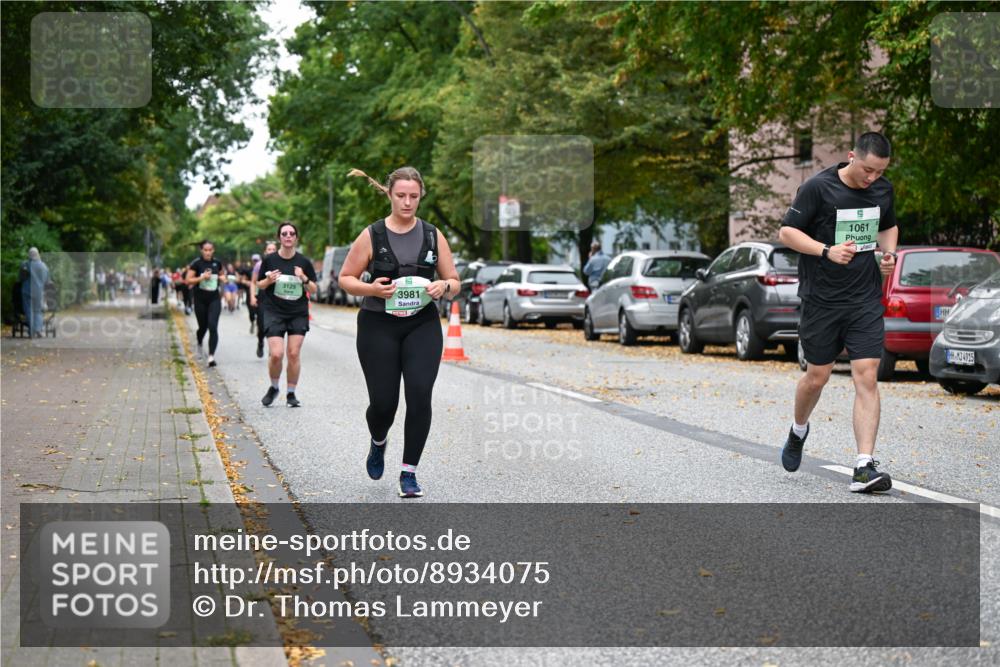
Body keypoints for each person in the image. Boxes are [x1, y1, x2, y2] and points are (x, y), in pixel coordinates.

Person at [777, 131, 898, 493]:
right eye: (867, 170)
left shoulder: (882, 190)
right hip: (822, 300)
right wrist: (826, 250)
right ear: (850, 157)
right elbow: (787, 232)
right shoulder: (817, 188)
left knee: (867, 374)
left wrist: (888, 254)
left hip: (863, 299)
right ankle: (799, 430)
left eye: (879, 172)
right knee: (817, 377)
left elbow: (887, 226)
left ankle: (864, 466)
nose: (872, 178)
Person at [340, 167, 460, 498]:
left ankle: (409, 473)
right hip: (378, 326)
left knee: (420, 394)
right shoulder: (372, 235)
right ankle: (378, 441)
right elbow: (345, 278)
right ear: (390, 194)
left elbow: (455, 281)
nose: (407, 202)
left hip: (421, 325)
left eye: (414, 197)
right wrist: (372, 289)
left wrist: (444, 285)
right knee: (383, 404)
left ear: (421, 197)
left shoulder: (434, 235)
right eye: (401, 196)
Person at [256, 223, 317, 407]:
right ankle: (274, 387)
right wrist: (268, 279)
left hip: (297, 312)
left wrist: (304, 278)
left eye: (292, 233)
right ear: (279, 237)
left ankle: (291, 393)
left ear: (296, 238)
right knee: (276, 354)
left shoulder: (304, 262)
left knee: (293, 353)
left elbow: (313, 289)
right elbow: (259, 284)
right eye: (284, 233)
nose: (288, 236)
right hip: (274, 311)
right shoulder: (270, 260)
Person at [185, 241, 225, 367]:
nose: (208, 252)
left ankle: (211, 356)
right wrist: (201, 278)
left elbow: (222, 275)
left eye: (210, 250)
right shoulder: (196, 263)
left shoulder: (217, 263)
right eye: (205, 250)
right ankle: (199, 341)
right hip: (200, 298)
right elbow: (188, 280)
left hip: (214, 298)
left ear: (213, 250)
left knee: (213, 326)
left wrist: (223, 279)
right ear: (201, 251)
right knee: (203, 326)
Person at [250, 243, 277, 358]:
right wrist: (252, 296)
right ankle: (260, 342)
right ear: (265, 252)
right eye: (269, 249)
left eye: (273, 249)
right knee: (261, 325)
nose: (271, 251)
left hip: (276, 298)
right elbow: (253, 282)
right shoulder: (259, 265)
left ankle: (273, 348)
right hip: (262, 297)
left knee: (275, 324)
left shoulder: (280, 264)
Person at [21, 248, 50, 337]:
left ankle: (32, 330)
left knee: (29, 310)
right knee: (38, 311)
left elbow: (21, 278)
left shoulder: (25, 265)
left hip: (26, 290)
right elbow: (47, 281)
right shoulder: (44, 266)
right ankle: (38, 329)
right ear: (38, 254)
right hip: (39, 292)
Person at [240, 257, 257, 334]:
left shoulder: (264, 269)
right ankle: (252, 321)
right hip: (249, 293)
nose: (255, 262)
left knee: (260, 312)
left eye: (257, 260)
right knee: (251, 312)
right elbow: (242, 280)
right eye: (254, 261)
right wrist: (247, 282)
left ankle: (259, 326)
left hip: (260, 295)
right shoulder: (248, 270)